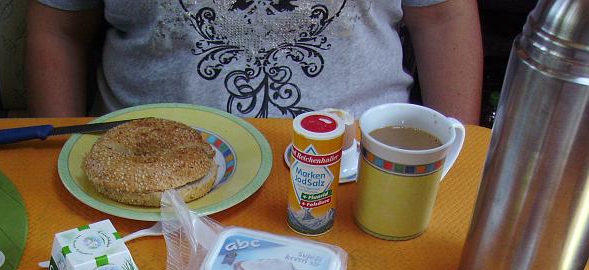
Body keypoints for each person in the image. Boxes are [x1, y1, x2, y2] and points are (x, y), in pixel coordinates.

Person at [26, 0, 483, 124]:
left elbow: (443, 17)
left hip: (359, 176)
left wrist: (452, 164)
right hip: (141, 179)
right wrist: (55, 163)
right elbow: (59, 28)